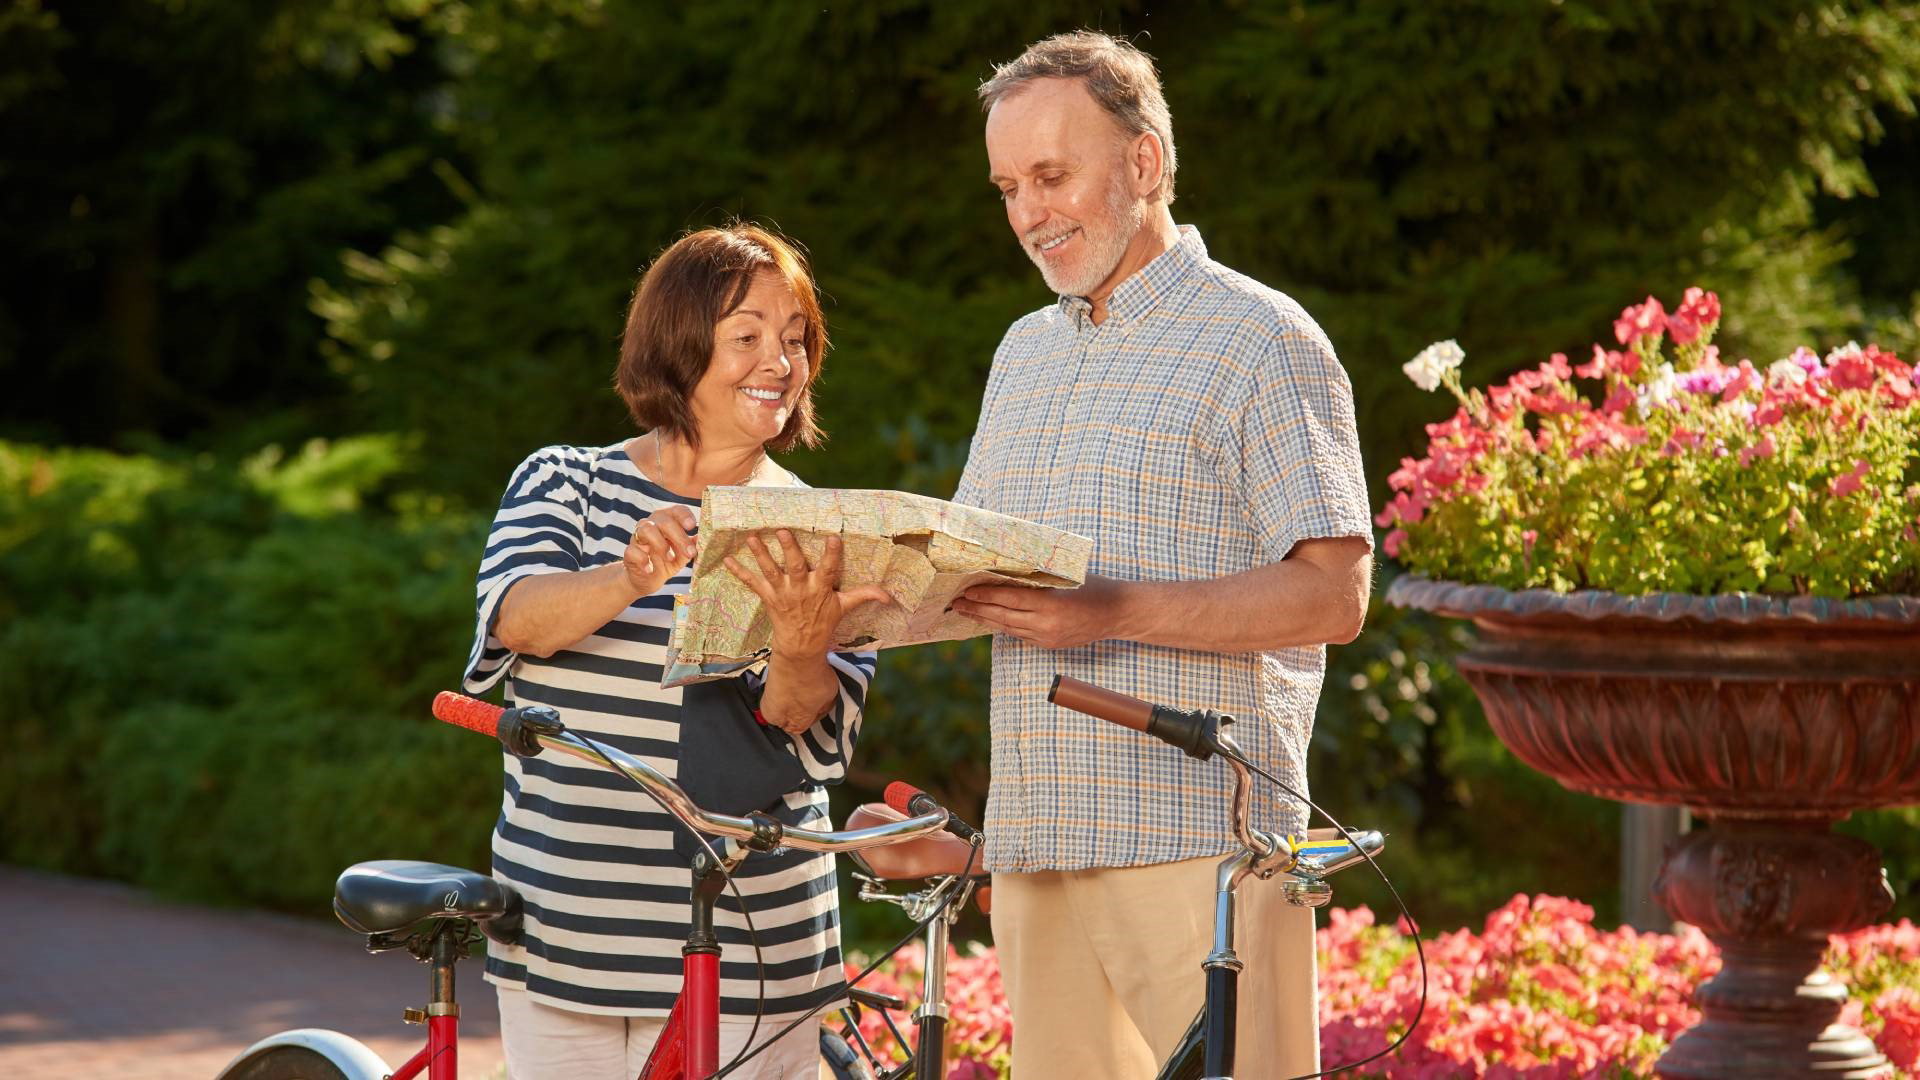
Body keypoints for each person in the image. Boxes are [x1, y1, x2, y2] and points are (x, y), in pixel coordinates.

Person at [949, 32, 1375, 1080]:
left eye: (1053, 175)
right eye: (1009, 186)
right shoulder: (1022, 353)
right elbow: (967, 575)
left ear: (1143, 164)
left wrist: (1111, 610)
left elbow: (1335, 595)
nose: (1029, 213)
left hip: (1199, 842)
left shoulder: (1262, 338)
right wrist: (834, 592)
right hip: (1038, 840)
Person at [460, 224, 888, 1080]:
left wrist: (804, 645)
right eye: (749, 337)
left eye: (796, 338)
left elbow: (801, 729)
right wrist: (627, 574)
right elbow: (518, 620)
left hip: (752, 948)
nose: (782, 361)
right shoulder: (565, 481)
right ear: (680, 347)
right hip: (568, 928)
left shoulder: (826, 527)